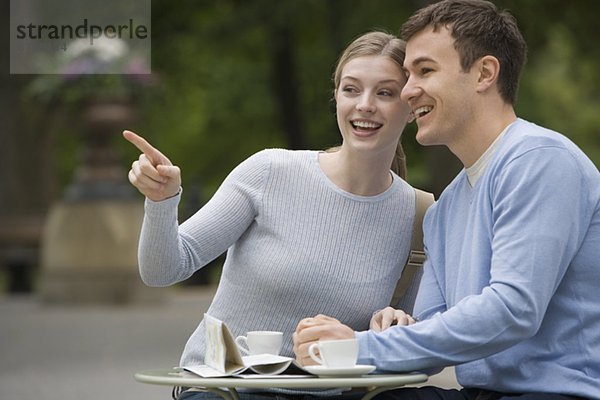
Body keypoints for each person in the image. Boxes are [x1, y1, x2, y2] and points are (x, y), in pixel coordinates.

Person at [293, 1, 600, 399]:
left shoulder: (539, 160)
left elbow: (512, 310)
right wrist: (399, 327)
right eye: (407, 75)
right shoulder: (445, 209)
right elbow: (436, 340)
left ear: (485, 73)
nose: (407, 91)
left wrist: (357, 347)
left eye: (425, 71)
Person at [124, 30, 427, 399]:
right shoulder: (269, 172)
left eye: (385, 92)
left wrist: (398, 330)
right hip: (226, 391)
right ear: (336, 98)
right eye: (351, 89)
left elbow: (422, 349)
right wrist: (161, 202)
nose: (365, 104)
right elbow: (163, 270)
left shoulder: (420, 214)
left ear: (411, 105)